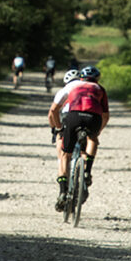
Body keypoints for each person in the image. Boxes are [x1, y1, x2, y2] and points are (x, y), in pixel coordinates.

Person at [47, 66, 109, 211]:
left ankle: (63, 191)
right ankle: (87, 170)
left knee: (64, 155)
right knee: (92, 140)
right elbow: (106, 115)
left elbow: (53, 111)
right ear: (97, 78)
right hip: (93, 118)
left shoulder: (71, 88)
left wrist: (58, 128)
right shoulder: (100, 89)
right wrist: (98, 131)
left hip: (72, 117)